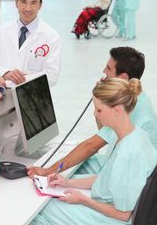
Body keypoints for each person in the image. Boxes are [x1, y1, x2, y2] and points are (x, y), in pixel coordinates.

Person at [28, 78, 157, 225]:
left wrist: (83, 200)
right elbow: (108, 178)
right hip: (120, 211)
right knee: (46, 209)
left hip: (119, 223)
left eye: (99, 110)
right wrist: (67, 182)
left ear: (117, 110)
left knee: (38, 216)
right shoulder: (134, 136)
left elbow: (123, 214)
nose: (94, 114)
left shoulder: (129, 153)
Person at [27, 46, 157, 178]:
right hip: (115, 161)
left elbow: (92, 145)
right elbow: (103, 129)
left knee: (59, 180)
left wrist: (48, 171)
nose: (104, 70)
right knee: (75, 166)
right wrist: (102, 100)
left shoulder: (131, 107)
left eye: (108, 68)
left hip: (131, 174)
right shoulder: (132, 96)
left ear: (123, 77)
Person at [0, 0, 61, 157]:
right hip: (2, 102)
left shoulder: (50, 37)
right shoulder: (2, 32)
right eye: (23, 1)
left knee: (26, 155)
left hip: (32, 104)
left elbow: (52, 76)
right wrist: (6, 73)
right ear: (16, 3)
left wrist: (23, 78)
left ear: (40, 5)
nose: (28, 8)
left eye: (33, 2)